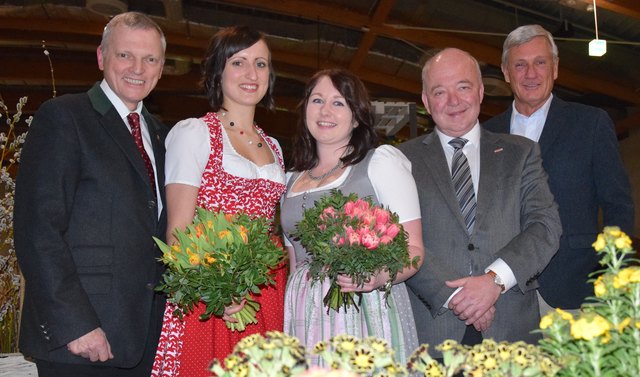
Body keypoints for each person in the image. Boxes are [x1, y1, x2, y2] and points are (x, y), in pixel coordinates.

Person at [14, 12, 168, 377]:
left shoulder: (162, 135)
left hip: (144, 337)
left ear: (161, 69)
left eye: (150, 59)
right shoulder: (64, 118)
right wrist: (76, 324)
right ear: (101, 57)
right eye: (125, 55)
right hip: (81, 341)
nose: (137, 68)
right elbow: (38, 231)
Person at [398, 48, 561, 355]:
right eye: (440, 92)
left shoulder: (521, 153)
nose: (454, 101)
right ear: (425, 101)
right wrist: (460, 297)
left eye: (463, 87)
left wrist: (493, 281)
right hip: (432, 332)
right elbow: (396, 238)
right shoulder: (400, 160)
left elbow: (545, 226)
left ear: (481, 91)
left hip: (511, 331)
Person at [150, 26, 286, 376]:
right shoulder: (194, 133)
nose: (251, 74)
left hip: (266, 291)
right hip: (210, 296)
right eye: (238, 62)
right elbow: (178, 233)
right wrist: (221, 292)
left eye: (260, 64)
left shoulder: (274, 147)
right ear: (217, 72)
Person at [483, 24, 635, 311]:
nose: (531, 74)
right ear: (505, 72)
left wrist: (614, 278)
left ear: (555, 68)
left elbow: (618, 205)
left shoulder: (590, 123)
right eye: (520, 64)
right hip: (504, 296)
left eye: (540, 62)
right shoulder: (486, 135)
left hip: (577, 288)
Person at [280, 68, 425, 364]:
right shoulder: (289, 181)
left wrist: (375, 276)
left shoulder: (379, 164)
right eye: (317, 100)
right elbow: (295, 261)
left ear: (356, 116)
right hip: (305, 313)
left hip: (364, 309)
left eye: (338, 103)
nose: (325, 111)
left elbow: (414, 251)